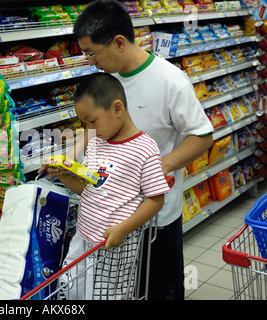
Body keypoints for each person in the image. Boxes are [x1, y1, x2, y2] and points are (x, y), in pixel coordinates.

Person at [72, 0, 215, 300]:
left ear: (119, 42)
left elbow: (202, 136)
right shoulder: (105, 82)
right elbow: (92, 127)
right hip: (111, 216)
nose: (90, 61)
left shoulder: (170, 81)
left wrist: (160, 165)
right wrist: (69, 157)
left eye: (92, 53)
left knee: (160, 289)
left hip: (154, 219)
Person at [38, 72, 171, 299]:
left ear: (117, 109)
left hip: (114, 245)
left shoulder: (144, 149)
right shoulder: (97, 143)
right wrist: (62, 175)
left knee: (106, 296)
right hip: (83, 235)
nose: (88, 128)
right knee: (70, 290)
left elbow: (156, 199)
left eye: (92, 121)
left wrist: (123, 229)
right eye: (83, 122)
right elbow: (91, 188)